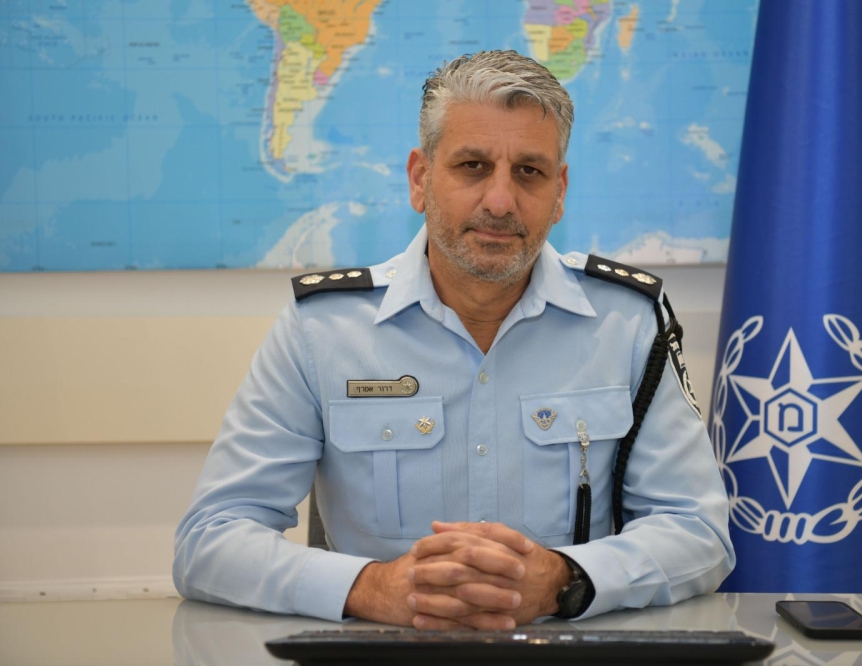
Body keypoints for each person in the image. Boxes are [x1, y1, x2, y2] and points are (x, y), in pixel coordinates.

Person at [173, 50, 734, 630]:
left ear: (560, 191)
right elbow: (210, 541)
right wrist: (373, 588)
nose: (500, 201)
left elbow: (699, 532)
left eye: (529, 172)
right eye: (472, 166)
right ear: (420, 179)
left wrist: (564, 580)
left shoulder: (628, 323)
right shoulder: (324, 331)